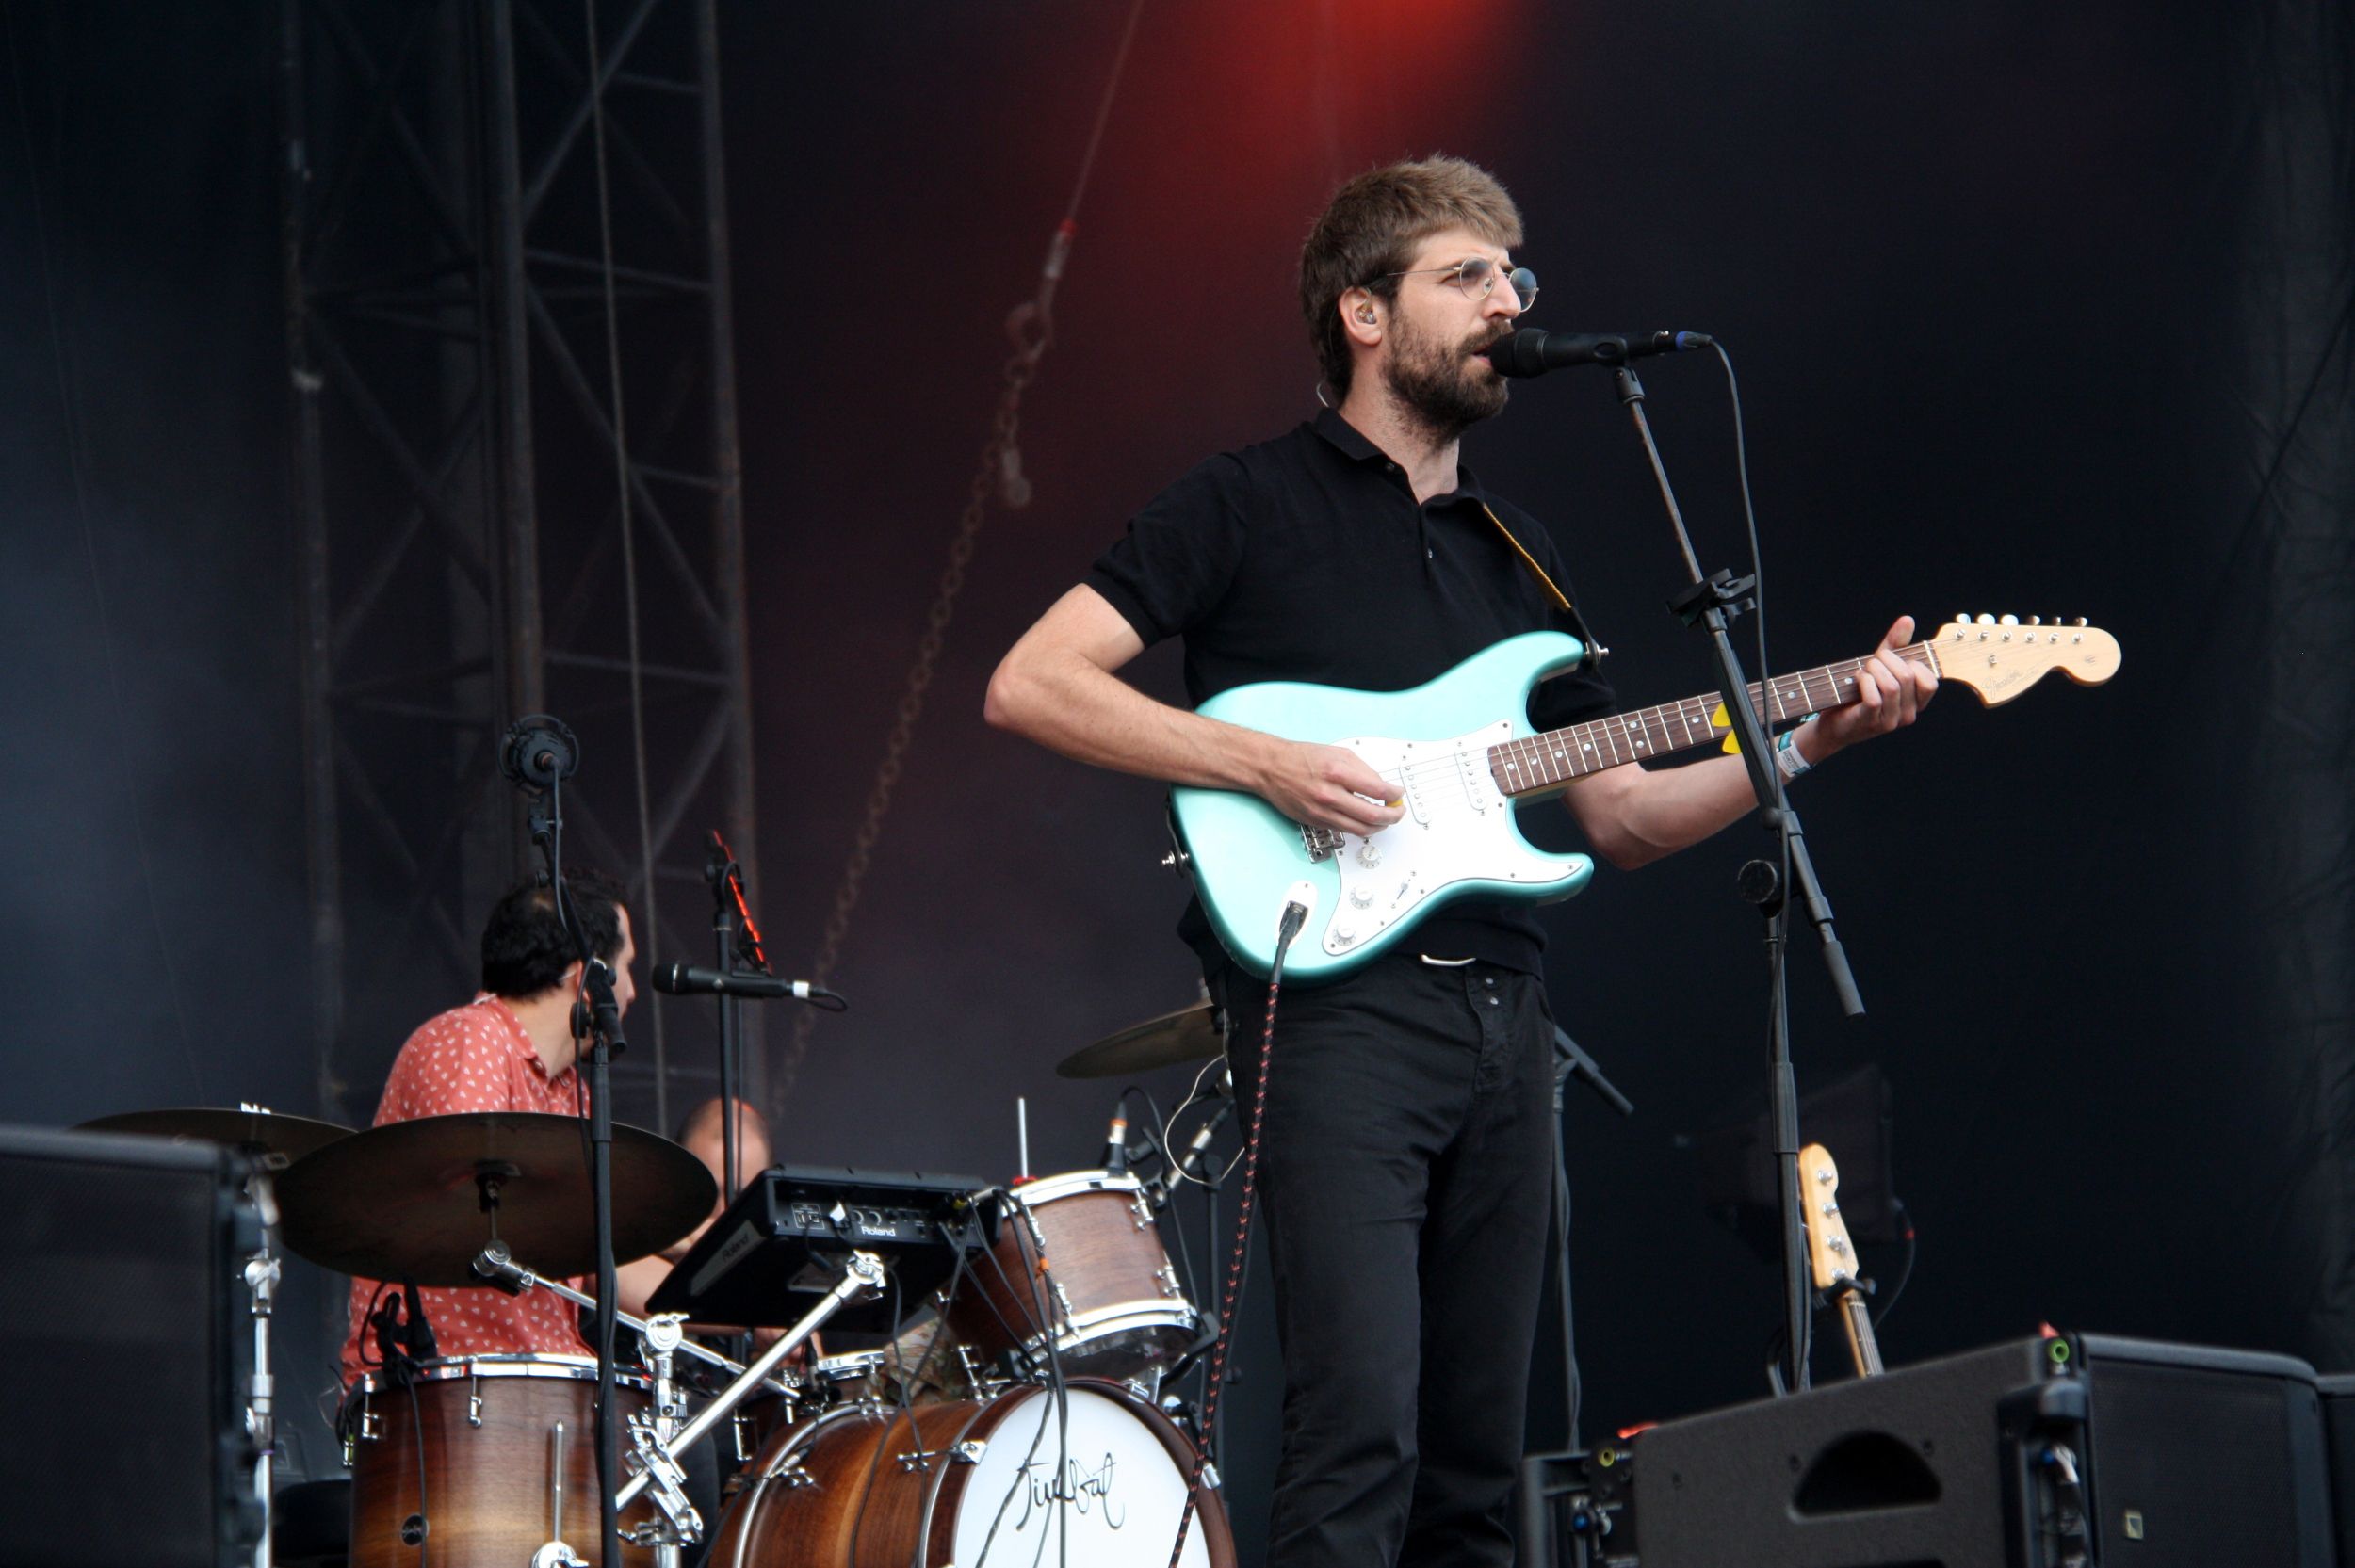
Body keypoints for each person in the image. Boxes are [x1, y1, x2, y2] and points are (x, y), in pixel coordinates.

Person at [983, 155, 1936, 1567]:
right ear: (1364, 314)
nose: (1510, 300)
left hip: (1506, 1022)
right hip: (1334, 1021)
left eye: (1518, 276)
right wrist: (1262, 762)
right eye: (1469, 276)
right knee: (1358, 1427)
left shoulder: (1524, 564)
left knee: (1479, 1470)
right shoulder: (1242, 503)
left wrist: (1807, 744)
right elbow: (1033, 680)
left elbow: (1620, 814)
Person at [338, 868, 639, 1383]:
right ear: (584, 978)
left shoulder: (572, 1091)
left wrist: (738, 1301)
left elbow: (605, 1258)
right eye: (626, 968)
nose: (632, 991)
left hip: (543, 1375)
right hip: (450, 1378)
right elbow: (469, 1202)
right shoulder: (470, 1041)